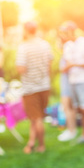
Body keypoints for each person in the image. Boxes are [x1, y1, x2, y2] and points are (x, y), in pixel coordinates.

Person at [15, 21, 53, 154]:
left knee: (36, 118)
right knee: (36, 117)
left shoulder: (23, 47)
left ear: (25, 30)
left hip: (30, 88)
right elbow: (49, 65)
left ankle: (41, 145)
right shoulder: (45, 44)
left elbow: (21, 68)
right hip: (44, 86)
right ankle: (31, 142)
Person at [59, 21, 84, 149]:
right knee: (79, 110)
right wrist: (66, 68)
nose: (64, 35)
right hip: (73, 81)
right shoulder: (67, 46)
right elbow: (67, 64)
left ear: (73, 31)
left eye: (66, 32)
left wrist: (74, 65)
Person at [57, 23, 78, 142]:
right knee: (69, 107)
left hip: (68, 82)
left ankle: (71, 131)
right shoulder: (70, 46)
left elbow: (69, 64)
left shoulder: (68, 46)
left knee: (67, 107)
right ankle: (71, 130)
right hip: (68, 81)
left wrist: (62, 69)